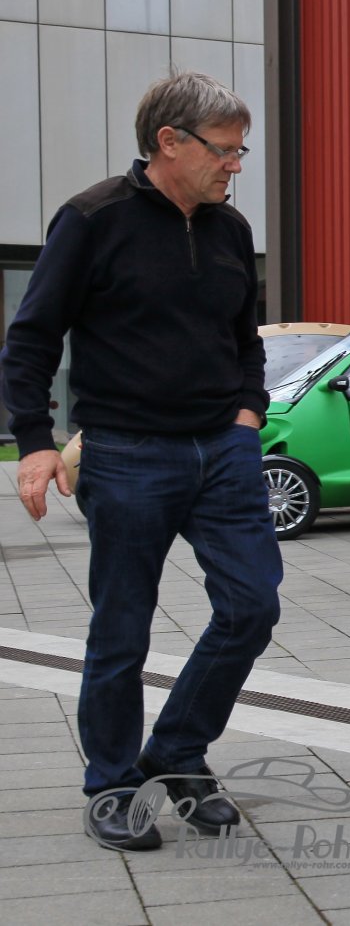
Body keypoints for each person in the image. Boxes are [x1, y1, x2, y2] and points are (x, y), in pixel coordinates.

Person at [0, 71, 281, 850]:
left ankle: (178, 750)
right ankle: (113, 782)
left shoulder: (229, 230)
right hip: (126, 453)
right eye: (224, 150)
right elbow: (30, 339)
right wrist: (34, 442)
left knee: (252, 606)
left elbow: (246, 340)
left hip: (222, 449)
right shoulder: (92, 220)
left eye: (241, 150)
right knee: (122, 626)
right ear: (169, 142)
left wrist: (247, 416)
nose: (235, 164)